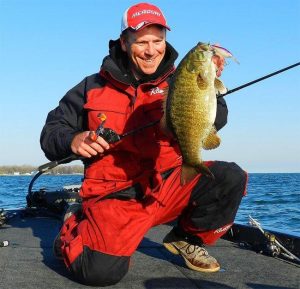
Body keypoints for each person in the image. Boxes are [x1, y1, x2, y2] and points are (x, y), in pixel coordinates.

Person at [40, 2, 247, 286]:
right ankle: (72, 224)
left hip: (168, 184)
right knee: (99, 272)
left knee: (230, 177)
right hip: (116, 194)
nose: (151, 50)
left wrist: (209, 85)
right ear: (125, 43)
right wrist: (72, 140)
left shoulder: (181, 79)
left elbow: (216, 119)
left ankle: (185, 238)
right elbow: (51, 133)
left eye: (158, 40)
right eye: (142, 42)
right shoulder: (91, 87)